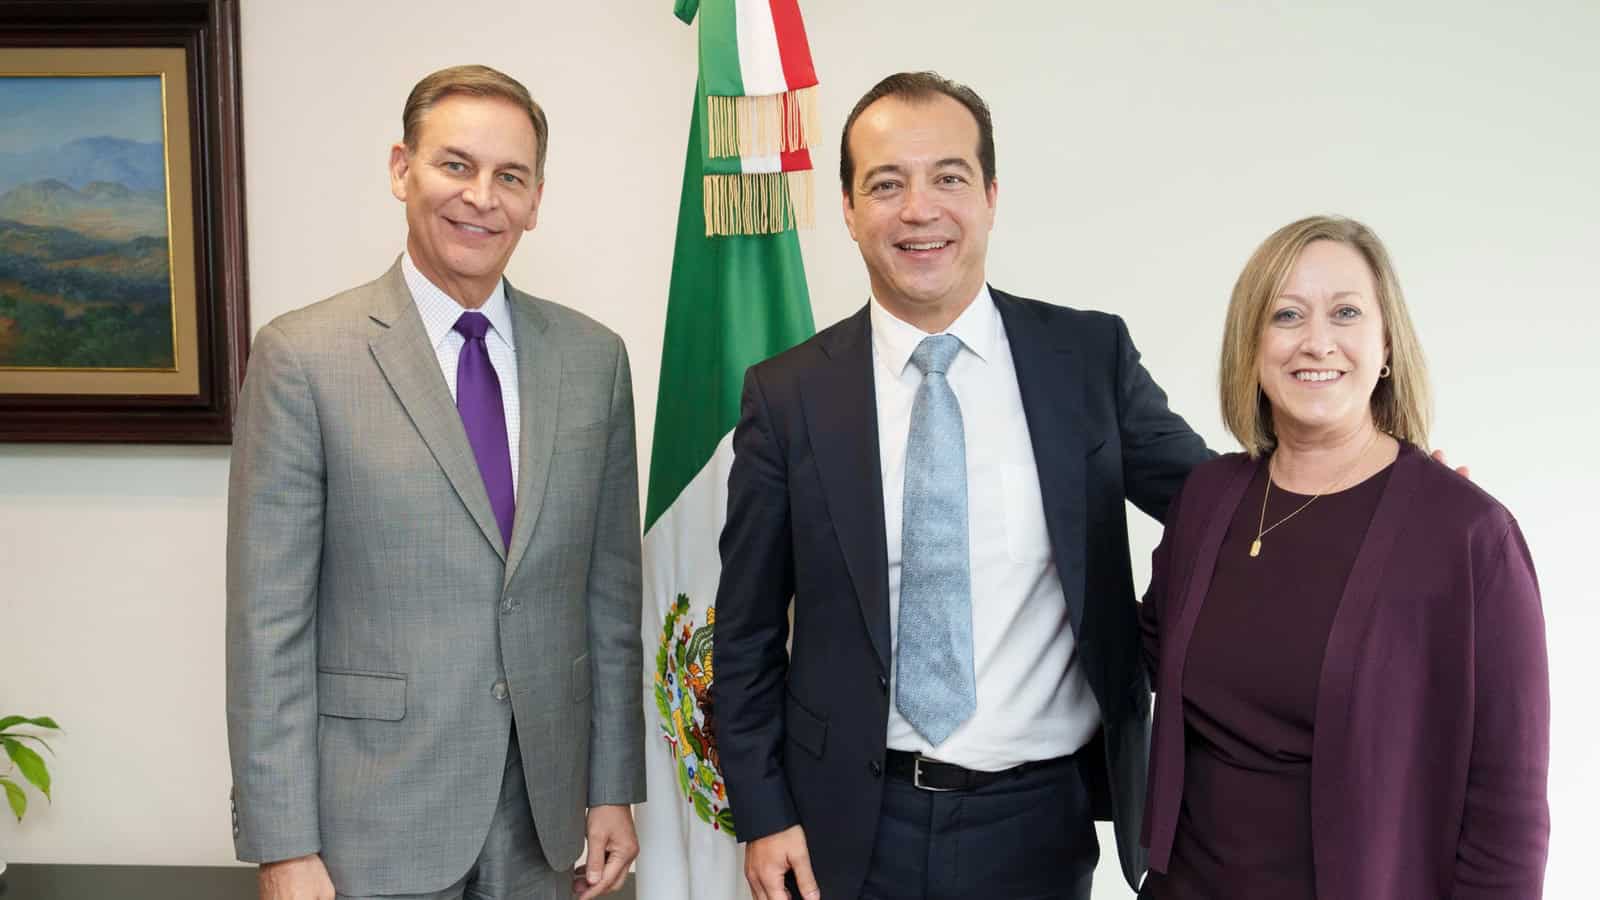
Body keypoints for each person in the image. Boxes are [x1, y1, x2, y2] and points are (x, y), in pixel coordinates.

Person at [712, 71, 1211, 900]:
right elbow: (746, 633)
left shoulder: (1086, 359)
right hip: (848, 827)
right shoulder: (788, 395)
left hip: (1040, 824)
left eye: (948, 177)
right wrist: (763, 814)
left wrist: (1374, 487)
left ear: (990, 197)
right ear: (848, 209)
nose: (919, 210)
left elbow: (1222, 507)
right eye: (886, 184)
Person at [225, 65, 643, 900]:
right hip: (369, 825)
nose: (482, 197)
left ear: (535, 200)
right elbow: (268, 625)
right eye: (456, 165)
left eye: (510, 176)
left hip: (545, 824)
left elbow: (609, 600)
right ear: (400, 169)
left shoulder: (594, 360)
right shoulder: (303, 358)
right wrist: (283, 845)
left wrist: (612, 788)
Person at [1137, 215, 1550, 899]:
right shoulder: (1208, 498)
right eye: (1286, 315)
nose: (1317, 341)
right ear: (1251, 346)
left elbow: (1508, 815)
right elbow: (1145, 653)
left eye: (1347, 312)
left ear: (1386, 345)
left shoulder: (1469, 535)